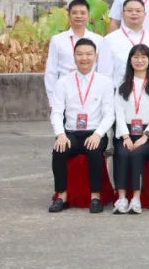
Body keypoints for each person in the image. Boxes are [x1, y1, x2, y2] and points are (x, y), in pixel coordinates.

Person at [48, 38, 114, 213]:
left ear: (95, 56)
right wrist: (60, 134)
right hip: (71, 133)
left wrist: (98, 134)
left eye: (88, 54)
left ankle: (95, 197)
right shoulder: (63, 82)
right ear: (74, 56)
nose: (84, 58)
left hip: (95, 132)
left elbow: (109, 114)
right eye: (80, 54)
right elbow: (56, 112)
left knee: (94, 150)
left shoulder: (105, 82)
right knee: (59, 150)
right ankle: (61, 196)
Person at [112, 44, 149, 215]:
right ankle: (121, 198)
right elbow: (118, 113)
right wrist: (125, 136)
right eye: (135, 57)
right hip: (125, 132)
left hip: (148, 133)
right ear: (130, 60)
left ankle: (136, 198)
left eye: (143, 57)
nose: (139, 60)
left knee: (136, 153)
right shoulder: (122, 84)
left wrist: (146, 136)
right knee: (122, 153)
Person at [45, 0, 104, 103]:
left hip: (91, 94)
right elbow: (51, 71)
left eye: (82, 13)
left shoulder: (99, 40)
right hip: (65, 93)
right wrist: (53, 99)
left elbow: (102, 70)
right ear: (69, 16)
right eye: (74, 13)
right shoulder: (57, 40)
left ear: (88, 16)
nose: (78, 16)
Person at [97, 0, 149, 87]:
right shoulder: (110, 40)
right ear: (122, 14)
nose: (134, 13)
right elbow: (104, 73)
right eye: (129, 10)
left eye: (138, 11)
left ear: (145, 15)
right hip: (119, 91)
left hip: (148, 91)